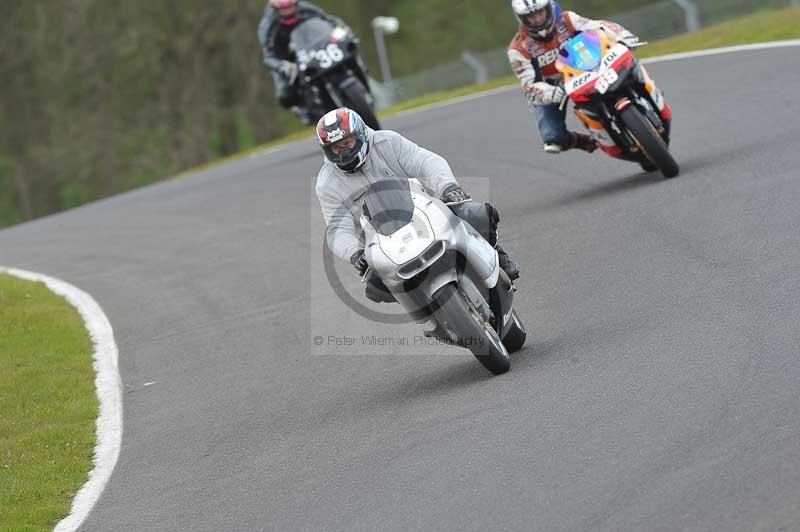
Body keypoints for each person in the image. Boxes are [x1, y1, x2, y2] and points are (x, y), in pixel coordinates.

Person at [315, 107, 520, 303]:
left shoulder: (387, 142)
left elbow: (425, 162)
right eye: (335, 147)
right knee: (375, 286)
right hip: (383, 241)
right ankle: (429, 316)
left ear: (360, 135)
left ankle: (496, 255)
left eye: (347, 142)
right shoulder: (327, 184)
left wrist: (447, 187)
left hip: (425, 211)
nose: (342, 151)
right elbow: (336, 228)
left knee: (473, 213)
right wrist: (354, 253)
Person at [508, 0, 642, 154]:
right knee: (553, 139)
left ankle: (645, 93)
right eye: (531, 16)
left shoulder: (567, 19)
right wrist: (551, 93)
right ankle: (584, 141)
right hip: (553, 85)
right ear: (521, 19)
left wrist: (622, 36)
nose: (538, 19)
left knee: (627, 65)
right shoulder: (518, 49)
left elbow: (599, 26)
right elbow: (529, 86)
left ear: (549, 8)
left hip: (586, 64)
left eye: (540, 12)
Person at [257, 0, 349, 124]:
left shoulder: (306, 9)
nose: (288, 11)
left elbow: (328, 19)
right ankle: (302, 109)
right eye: (284, 9)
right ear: (276, 9)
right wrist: (281, 65)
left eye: (290, 7)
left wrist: (340, 29)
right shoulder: (268, 25)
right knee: (285, 95)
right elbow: (268, 56)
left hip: (317, 49)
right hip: (290, 60)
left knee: (349, 51)